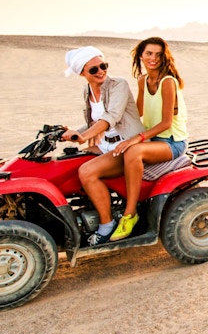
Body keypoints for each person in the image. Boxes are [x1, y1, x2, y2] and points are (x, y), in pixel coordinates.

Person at [104, 36, 190, 242]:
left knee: (133, 150)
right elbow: (139, 111)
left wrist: (137, 138)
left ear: (164, 58)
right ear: (140, 55)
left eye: (158, 55)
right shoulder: (143, 80)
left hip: (171, 142)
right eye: (149, 53)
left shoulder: (167, 81)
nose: (153, 58)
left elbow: (166, 122)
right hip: (152, 140)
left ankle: (130, 214)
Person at [61, 46, 146, 246]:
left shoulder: (119, 85)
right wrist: (72, 133)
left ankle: (106, 225)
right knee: (69, 163)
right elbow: (93, 124)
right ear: (82, 73)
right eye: (93, 69)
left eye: (103, 66)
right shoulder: (87, 91)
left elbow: (111, 117)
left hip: (127, 146)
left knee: (87, 171)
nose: (100, 71)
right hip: (105, 144)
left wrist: (84, 136)